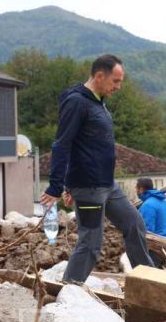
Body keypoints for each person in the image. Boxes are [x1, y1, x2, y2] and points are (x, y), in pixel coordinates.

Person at [40, 54, 156, 283]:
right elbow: (63, 144)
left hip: (107, 184)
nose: (118, 87)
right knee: (91, 243)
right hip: (88, 187)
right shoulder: (77, 102)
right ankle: (69, 290)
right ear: (99, 76)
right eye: (115, 81)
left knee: (134, 223)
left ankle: (150, 281)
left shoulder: (97, 102)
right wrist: (56, 185)